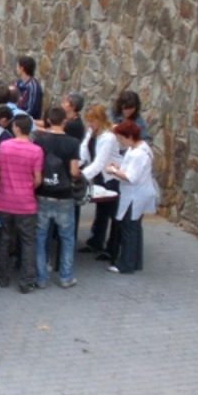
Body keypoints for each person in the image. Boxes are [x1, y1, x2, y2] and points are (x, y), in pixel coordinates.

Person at [0, 115, 42, 291]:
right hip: (26, 203)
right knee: (27, 241)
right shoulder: (36, 151)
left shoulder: (4, 146)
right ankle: (27, 281)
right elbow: (37, 179)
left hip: (4, 201)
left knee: (4, 239)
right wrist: (28, 187)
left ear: (17, 128)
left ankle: (1, 276)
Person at [33, 107, 82, 289]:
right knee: (67, 238)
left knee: (40, 236)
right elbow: (74, 171)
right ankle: (65, 276)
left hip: (43, 193)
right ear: (64, 121)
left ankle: (41, 278)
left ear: (48, 120)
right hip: (64, 195)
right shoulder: (73, 143)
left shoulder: (39, 141)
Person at [106, 121, 157, 275]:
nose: (120, 142)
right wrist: (118, 168)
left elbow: (131, 177)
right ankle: (134, 261)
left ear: (129, 137)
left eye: (121, 139)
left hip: (135, 195)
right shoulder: (139, 148)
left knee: (129, 228)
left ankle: (126, 264)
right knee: (134, 227)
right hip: (138, 194)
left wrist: (113, 170)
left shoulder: (137, 154)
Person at [79, 104, 122, 261]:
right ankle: (96, 241)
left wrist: (81, 176)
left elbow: (100, 162)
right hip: (99, 176)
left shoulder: (108, 137)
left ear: (100, 120)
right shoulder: (92, 132)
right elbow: (83, 152)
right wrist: (74, 166)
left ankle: (112, 249)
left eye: (92, 121)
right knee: (101, 210)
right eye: (89, 121)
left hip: (111, 177)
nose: (90, 124)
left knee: (113, 213)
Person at [15, 55, 43, 120]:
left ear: (22, 68)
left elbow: (31, 110)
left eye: (17, 66)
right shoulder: (19, 83)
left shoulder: (33, 87)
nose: (16, 69)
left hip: (26, 121)